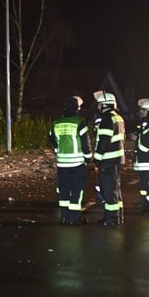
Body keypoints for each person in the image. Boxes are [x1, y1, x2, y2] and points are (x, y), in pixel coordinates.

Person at [49, 96, 93, 225]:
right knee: (76, 190)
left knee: (63, 189)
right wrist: (88, 158)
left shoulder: (57, 122)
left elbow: (52, 139)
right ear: (77, 108)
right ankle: (74, 218)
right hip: (77, 163)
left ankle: (64, 217)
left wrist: (58, 151)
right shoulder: (80, 121)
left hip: (62, 162)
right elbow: (86, 142)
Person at [93, 90, 126, 226]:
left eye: (99, 104)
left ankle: (111, 219)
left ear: (104, 105)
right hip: (116, 160)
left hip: (108, 160)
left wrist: (97, 159)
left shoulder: (107, 118)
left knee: (108, 190)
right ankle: (118, 216)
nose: (97, 107)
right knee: (115, 189)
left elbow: (104, 140)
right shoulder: (117, 117)